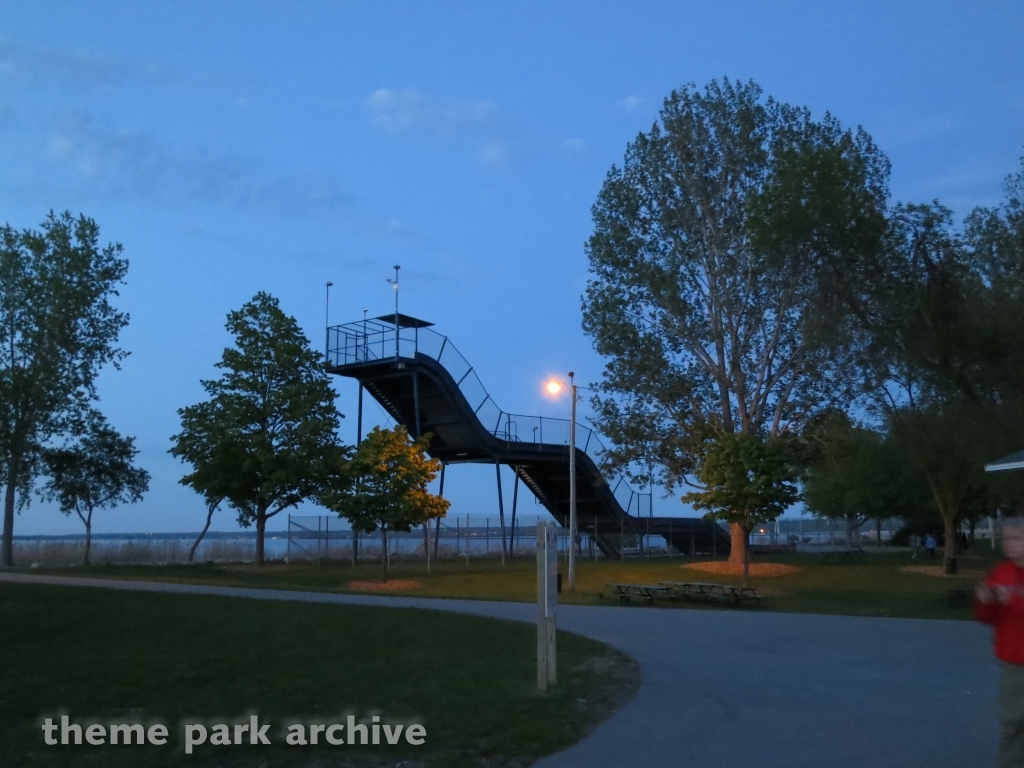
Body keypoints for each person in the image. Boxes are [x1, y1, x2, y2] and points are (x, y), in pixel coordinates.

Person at [976, 517, 1024, 767]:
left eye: (1016, 538)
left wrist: (1013, 601)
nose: (1009, 543)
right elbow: (987, 619)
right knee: (1012, 722)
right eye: (1006, 538)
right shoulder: (1001, 572)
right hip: (1012, 662)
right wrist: (984, 601)